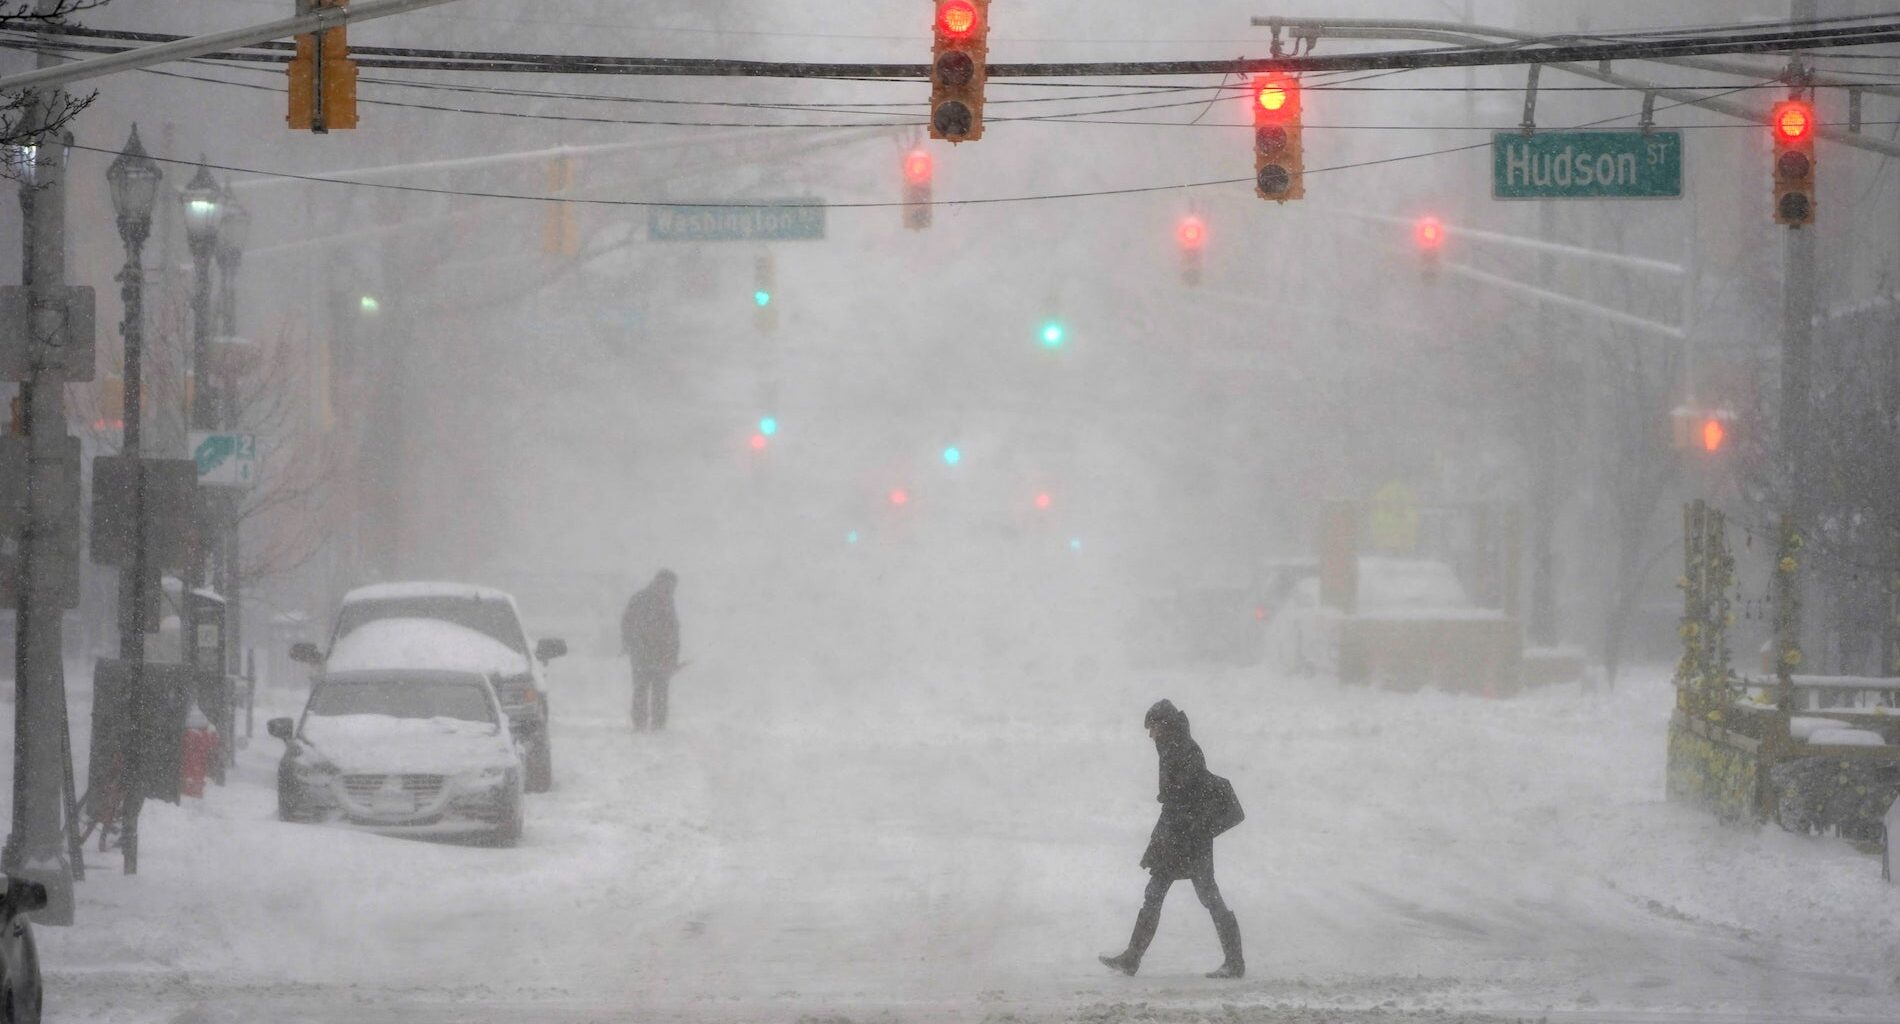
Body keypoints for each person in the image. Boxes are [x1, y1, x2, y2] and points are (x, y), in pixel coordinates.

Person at [1099, 699, 1245, 979]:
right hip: (1177, 836)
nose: (1150, 734)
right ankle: (1132, 957)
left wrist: (1176, 807)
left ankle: (1235, 962)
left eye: (1152, 727)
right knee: (1156, 894)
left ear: (1164, 725)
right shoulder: (1171, 747)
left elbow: (1191, 795)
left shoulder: (1185, 749)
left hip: (1188, 838)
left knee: (1208, 897)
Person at [621, 569, 681, 731]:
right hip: (642, 654)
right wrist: (632, 645)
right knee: (641, 689)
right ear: (658, 582)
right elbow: (628, 624)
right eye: (668, 585)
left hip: (662, 654)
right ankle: (640, 724)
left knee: (660, 690)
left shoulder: (668, 601)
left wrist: (673, 655)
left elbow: (673, 630)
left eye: (672, 587)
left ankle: (658, 725)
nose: (670, 589)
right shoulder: (640, 599)